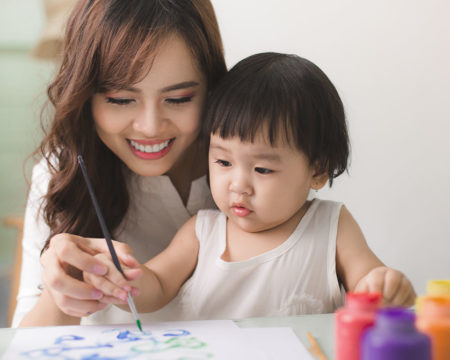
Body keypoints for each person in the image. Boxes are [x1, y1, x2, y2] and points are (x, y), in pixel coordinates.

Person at [83, 52, 416, 320]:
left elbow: (368, 281)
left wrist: (384, 286)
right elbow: (155, 286)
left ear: (318, 170)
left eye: (262, 168)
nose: (238, 185)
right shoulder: (202, 233)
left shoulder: (332, 227)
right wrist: (127, 281)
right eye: (223, 162)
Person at [15, 0, 226, 327]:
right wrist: (60, 293)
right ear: (85, 97)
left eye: (178, 99)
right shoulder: (63, 171)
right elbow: (25, 344)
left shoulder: (251, 163)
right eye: (121, 100)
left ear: (212, 89)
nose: (150, 126)